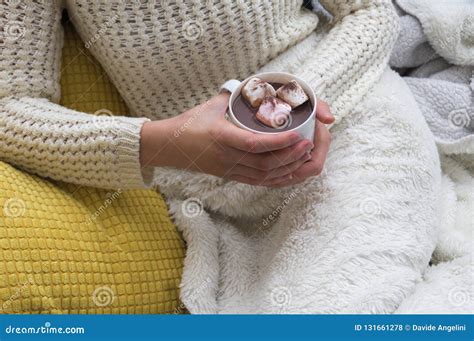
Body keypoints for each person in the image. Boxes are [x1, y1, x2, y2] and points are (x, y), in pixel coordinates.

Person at [0, 1, 440, 313]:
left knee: (359, 294)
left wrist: (301, 104)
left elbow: (369, 12)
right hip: (201, 179)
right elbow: (9, 109)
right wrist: (163, 142)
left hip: (348, 113)